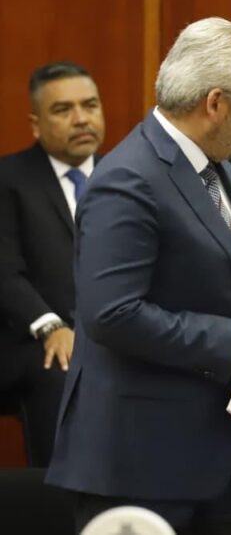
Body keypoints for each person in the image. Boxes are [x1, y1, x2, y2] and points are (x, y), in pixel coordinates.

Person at [45, 17, 231, 534]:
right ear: (216, 103)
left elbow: (226, 277)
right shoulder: (127, 179)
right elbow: (112, 314)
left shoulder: (217, 164)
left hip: (206, 455)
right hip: (139, 461)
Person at [0, 61, 105, 466]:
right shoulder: (9, 179)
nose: (81, 119)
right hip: (32, 337)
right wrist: (52, 326)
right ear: (36, 124)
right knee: (63, 367)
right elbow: (5, 273)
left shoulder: (128, 176)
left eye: (90, 105)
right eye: (63, 110)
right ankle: (61, 496)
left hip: (116, 333)